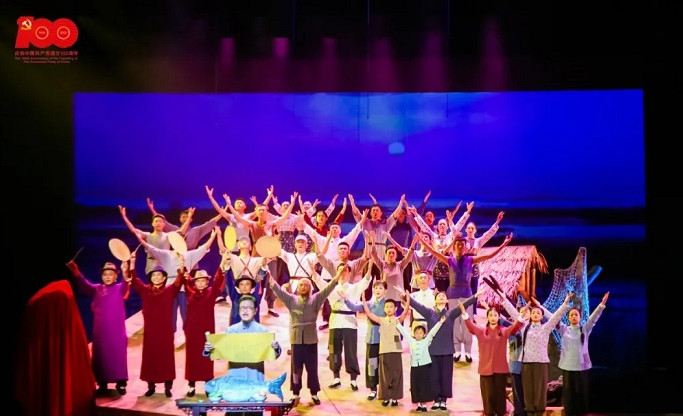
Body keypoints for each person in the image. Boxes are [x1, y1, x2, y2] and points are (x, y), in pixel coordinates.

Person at [417, 232, 513, 363]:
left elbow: (489, 255)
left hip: (467, 292)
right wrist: (421, 239)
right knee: (455, 323)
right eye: (458, 244)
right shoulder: (449, 260)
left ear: (466, 247)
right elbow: (433, 251)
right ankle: (457, 350)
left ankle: (467, 351)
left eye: (462, 244)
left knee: (467, 321)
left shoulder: (470, 260)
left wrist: (504, 244)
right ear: (454, 247)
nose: (460, 246)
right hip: (452, 293)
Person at [268, 264, 341, 406]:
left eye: (306, 285)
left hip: (310, 340)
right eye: (301, 285)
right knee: (296, 368)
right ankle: (295, 393)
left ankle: (314, 393)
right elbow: (277, 290)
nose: (303, 287)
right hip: (296, 340)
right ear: (297, 288)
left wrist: (337, 276)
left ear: (310, 288)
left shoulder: (315, 299)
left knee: (312, 368)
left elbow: (328, 289)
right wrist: (269, 275)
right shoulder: (291, 300)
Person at [203, 295, 282, 416]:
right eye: (242, 308)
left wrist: (276, 348)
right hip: (234, 384)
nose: (245, 310)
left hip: (255, 380)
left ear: (255, 310)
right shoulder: (231, 331)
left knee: (254, 412)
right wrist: (208, 350)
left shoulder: (263, 332)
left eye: (249, 308)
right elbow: (217, 354)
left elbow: (274, 355)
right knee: (233, 413)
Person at [134, 228, 216, 344]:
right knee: (169, 315)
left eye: (180, 239)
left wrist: (212, 237)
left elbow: (203, 248)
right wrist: (140, 239)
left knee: (186, 314)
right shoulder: (166, 254)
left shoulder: (189, 255)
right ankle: (168, 338)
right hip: (170, 289)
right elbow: (151, 248)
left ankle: (189, 337)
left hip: (184, 289)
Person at [409, 289, 483, 410]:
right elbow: (417, 306)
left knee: (446, 376)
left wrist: (475, 296)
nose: (441, 297)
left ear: (447, 301)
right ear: (435, 300)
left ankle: (443, 400)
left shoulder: (451, 313)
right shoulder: (429, 313)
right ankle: (436, 399)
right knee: (434, 376)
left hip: (447, 350)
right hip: (433, 350)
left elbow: (463, 305)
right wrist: (405, 296)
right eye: (439, 296)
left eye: (443, 296)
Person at [124, 251, 184, 398]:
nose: (156, 277)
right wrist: (132, 263)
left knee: (166, 359)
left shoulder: (170, 291)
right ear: (150, 278)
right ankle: (151, 386)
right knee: (150, 358)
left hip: (165, 332)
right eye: (154, 275)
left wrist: (181, 266)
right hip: (151, 332)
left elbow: (179, 281)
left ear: (164, 278)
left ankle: (168, 387)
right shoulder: (145, 290)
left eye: (159, 275)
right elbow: (134, 280)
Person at [65, 259, 129, 395]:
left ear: (115, 276)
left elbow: (126, 284)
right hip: (100, 330)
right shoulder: (97, 289)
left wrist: (125, 272)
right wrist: (76, 272)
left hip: (116, 330)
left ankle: (121, 383)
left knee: (118, 355)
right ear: (101, 276)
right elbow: (84, 284)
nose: (108, 277)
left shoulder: (119, 288)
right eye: (105, 274)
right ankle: (102, 383)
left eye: (111, 274)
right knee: (100, 356)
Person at [459, 297, 526, 416]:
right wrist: (464, 313)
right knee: (487, 394)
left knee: (500, 394)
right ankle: (489, 412)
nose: (493, 317)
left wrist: (521, 316)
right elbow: (470, 326)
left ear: (499, 317)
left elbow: (515, 327)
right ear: (488, 317)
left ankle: (500, 412)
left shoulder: (503, 331)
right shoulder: (481, 331)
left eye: (495, 315)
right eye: (491, 315)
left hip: (500, 368)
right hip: (485, 368)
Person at [182, 254, 227, 397]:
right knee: (192, 358)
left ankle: (208, 385)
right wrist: (182, 265)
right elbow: (184, 279)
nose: (201, 283)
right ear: (194, 283)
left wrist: (222, 262)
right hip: (192, 331)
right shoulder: (189, 292)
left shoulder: (211, 293)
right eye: (198, 281)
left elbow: (218, 280)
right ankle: (191, 385)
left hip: (207, 332)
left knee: (207, 358)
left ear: (207, 282)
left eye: (203, 281)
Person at [558, 292, 609, 416]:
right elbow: (553, 318)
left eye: (576, 315)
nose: (574, 316)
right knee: (569, 393)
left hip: (582, 366)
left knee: (582, 392)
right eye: (571, 315)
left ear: (580, 317)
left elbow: (593, 318)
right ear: (568, 318)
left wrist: (601, 304)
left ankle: (582, 413)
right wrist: (565, 304)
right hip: (567, 366)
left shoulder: (584, 329)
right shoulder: (564, 329)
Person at [520, 293, 572, 416]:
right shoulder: (524, 327)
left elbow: (556, 317)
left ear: (542, 316)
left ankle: (539, 411)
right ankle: (529, 410)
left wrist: (565, 304)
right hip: (526, 362)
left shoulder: (545, 327)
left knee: (540, 388)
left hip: (541, 362)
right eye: (533, 312)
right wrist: (504, 300)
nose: (535, 314)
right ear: (530, 315)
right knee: (528, 388)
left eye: (538, 313)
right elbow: (513, 314)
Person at [359, 289, 411, 407]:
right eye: (387, 307)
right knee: (385, 375)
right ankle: (386, 396)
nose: (389, 309)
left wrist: (407, 299)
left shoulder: (398, 320)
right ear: (384, 309)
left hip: (396, 351)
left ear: (395, 309)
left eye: (391, 307)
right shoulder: (381, 320)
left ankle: (395, 397)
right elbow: (369, 314)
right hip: (384, 351)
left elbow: (406, 311)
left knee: (396, 375)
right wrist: (364, 301)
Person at [343, 276, 388, 401]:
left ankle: (385, 389)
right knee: (372, 364)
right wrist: (346, 299)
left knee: (384, 365)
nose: (378, 290)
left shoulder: (388, 304)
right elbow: (354, 307)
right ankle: (373, 389)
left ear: (385, 291)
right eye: (376, 288)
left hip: (384, 338)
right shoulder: (369, 303)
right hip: (372, 338)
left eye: (380, 288)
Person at [396, 315, 446, 412]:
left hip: (425, 367)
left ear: (424, 334)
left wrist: (440, 322)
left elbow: (433, 332)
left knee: (424, 385)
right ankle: (419, 404)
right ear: (414, 334)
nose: (418, 335)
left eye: (420, 333)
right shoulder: (411, 341)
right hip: (415, 367)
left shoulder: (426, 341)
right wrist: (398, 324)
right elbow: (404, 333)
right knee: (416, 385)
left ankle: (424, 404)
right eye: (416, 333)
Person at [146, 198, 223, 250]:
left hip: (192, 257)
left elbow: (210, 223)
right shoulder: (174, 229)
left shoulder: (196, 230)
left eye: (187, 217)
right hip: (177, 258)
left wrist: (222, 213)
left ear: (191, 219)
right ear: (180, 219)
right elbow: (161, 221)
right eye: (183, 217)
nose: (185, 218)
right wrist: (152, 209)